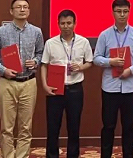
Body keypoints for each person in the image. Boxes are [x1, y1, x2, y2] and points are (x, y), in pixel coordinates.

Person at [0, 0, 44, 158]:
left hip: (29, 82)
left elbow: (41, 53)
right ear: (11, 11)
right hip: (7, 83)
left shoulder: (36, 32)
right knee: (7, 127)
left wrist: (36, 61)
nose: (22, 10)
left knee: (26, 127)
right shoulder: (0, 32)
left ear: (29, 11)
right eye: (18, 7)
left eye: (25, 7)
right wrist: (3, 70)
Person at [93, 0, 133, 158]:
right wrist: (110, 62)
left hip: (130, 88)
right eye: (119, 11)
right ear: (113, 13)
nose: (122, 15)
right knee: (108, 126)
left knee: (129, 127)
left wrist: (131, 70)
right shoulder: (105, 35)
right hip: (110, 88)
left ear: (129, 12)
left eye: (125, 11)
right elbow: (96, 58)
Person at [40, 9, 94, 158]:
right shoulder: (50, 43)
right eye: (62, 23)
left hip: (75, 89)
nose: (66, 26)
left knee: (74, 127)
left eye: (69, 23)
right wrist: (44, 85)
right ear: (58, 24)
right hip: (55, 89)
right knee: (53, 128)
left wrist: (81, 67)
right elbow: (44, 65)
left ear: (75, 24)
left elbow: (90, 62)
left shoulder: (83, 42)